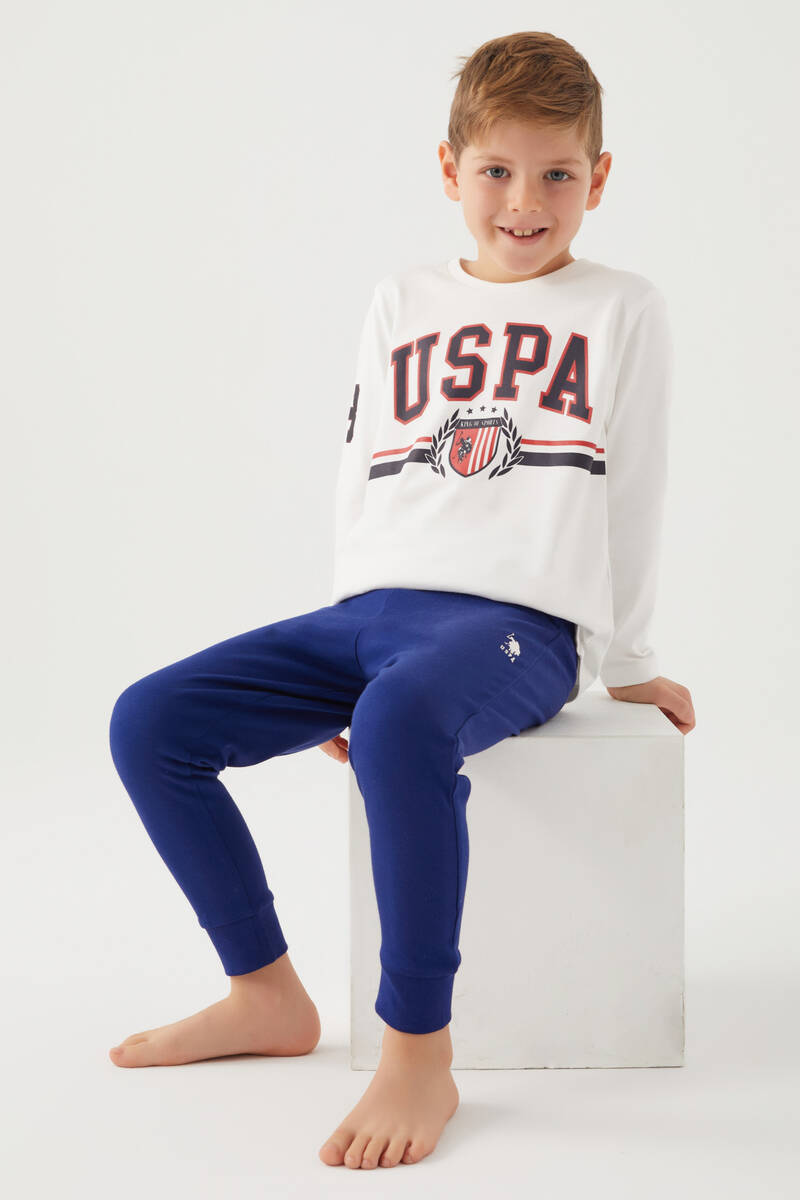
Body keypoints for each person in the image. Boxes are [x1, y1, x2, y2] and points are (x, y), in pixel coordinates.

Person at [107, 29, 696, 1171]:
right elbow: (364, 470)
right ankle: (265, 992)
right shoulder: (400, 298)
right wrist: (356, 652)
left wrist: (627, 662)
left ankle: (418, 1050)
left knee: (403, 721)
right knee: (151, 721)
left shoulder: (623, 308)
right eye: (495, 170)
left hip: (519, 625)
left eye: (556, 174)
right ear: (448, 169)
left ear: (597, 179)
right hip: (376, 611)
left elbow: (635, 489)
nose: (523, 202)